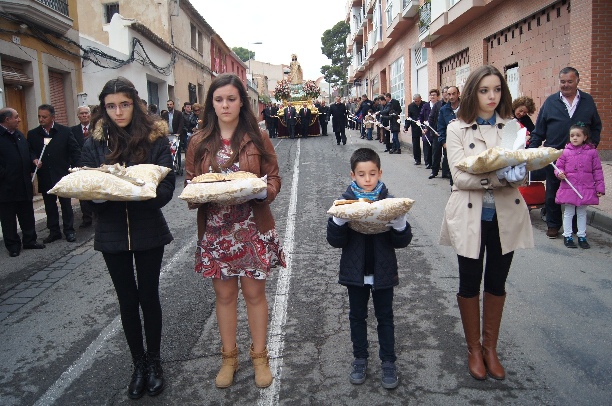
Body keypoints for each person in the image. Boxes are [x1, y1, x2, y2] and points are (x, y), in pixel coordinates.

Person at [184, 73, 285, 389]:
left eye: (231, 98)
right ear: (211, 104)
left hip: (252, 227)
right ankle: (229, 358)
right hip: (216, 231)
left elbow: (274, 179)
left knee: (255, 294)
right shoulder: (199, 142)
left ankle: (260, 357)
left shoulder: (257, 139)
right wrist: (197, 194)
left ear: (242, 102)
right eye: (218, 99)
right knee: (224, 296)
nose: (225, 104)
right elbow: (190, 185)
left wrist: (261, 192)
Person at [80, 77, 175, 399]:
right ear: (103, 108)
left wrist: (139, 191)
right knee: (127, 300)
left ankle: (155, 362)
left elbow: (165, 189)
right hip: (111, 233)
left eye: (124, 104)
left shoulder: (155, 138)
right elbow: (84, 188)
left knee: (149, 296)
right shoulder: (95, 143)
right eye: (111, 106)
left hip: (148, 228)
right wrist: (100, 196)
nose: (118, 111)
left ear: (134, 104)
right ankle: (138, 364)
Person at [440, 65, 534, 382]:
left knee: (496, 282)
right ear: (472, 93)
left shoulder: (512, 128)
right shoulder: (457, 128)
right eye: (484, 90)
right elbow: (460, 176)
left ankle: (490, 349)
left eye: (496, 89)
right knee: (469, 282)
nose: (491, 96)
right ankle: (473, 349)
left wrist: (521, 172)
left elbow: (518, 165)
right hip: (470, 215)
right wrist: (500, 177)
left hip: (504, 215)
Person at [327, 147, 412, 389]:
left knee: (385, 317)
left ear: (380, 173)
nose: (367, 180)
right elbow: (335, 241)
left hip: (383, 270)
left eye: (372, 174)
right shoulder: (344, 203)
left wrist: (400, 224)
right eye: (361, 174)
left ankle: (388, 361)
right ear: (352, 175)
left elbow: (402, 242)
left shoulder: (390, 203)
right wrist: (338, 221)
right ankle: (360, 358)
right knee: (357, 316)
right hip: (356, 272)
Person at [528, 67, 602, 239]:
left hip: (581, 159)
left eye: (570, 81)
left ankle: (576, 227)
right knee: (553, 192)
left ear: (577, 81)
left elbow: (596, 126)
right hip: (555, 157)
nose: (566, 85)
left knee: (577, 191)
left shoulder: (587, 101)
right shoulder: (551, 102)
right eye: (563, 82)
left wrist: (592, 146)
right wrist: (532, 149)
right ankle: (553, 225)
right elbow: (539, 129)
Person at [28, 104, 81, 243]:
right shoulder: (33, 134)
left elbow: (74, 151)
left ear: (53, 117)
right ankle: (54, 231)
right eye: (39, 116)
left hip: (62, 174)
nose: (41, 119)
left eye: (44, 117)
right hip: (45, 175)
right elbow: (30, 151)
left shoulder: (64, 131)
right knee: (49, 206)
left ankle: (69, 230)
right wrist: (33, 159)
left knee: (66, 205)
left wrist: (77, 169)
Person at [0, 108, 46, 257]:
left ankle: (30, 240)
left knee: (27, 214)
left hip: (24, 184)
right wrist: (6, 175)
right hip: (6, 187)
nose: (19, 119)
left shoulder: (19, 135)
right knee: (8, 219)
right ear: (7, 120)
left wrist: (33, 160)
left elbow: (28, 151)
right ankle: (13, 246)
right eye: (16, 117)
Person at [554, 124, 605, 249]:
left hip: (585, 188)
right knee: (568, 212)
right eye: (572, 135)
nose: (575, 138)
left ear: (585, 137)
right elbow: (558, 166)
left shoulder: (592, 152)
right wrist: (559, 173)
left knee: (582, 212)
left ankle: (582, 236)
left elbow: (597, 170)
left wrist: (600, 188)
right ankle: (568, 235)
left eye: (578, 135)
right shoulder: (565, 152)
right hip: (569, 187)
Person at [71, 106, 94, 228]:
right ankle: (86, 217)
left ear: (90, 115)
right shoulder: (73, 131)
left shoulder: (96, 129)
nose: (84, 115)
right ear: (78, 116)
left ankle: (98, 214)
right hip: (80, 167)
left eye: (86, 113)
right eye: (82, 113)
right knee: (83, 193)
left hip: (94, 166)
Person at [438, 86, 461, 185]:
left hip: (464, 142)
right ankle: (454, 188)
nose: (451, 97)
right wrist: (444, 143)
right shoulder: (444, 109)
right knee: (453, 168)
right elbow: (441, 127)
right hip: (450, 143)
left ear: (458, 94)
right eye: (449, 94)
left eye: (453, 94)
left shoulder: (466, 107)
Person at [429, 86, 449, 179]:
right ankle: (434, 171)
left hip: (448, 133)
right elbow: (431, 118)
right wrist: (433, 130)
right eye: (445, 92)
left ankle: (446, 172)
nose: (447, 94)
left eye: (448, 92)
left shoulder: (452, 105)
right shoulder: (437, 105)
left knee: (447, 153)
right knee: (436, 153)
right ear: (442, 93)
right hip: (437, 133)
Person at [166, 99, 184, 169]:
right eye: (168, 105)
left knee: (177, 151)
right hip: (168, 136)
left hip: (176, 135)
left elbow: (181, 124)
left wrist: (178, 133)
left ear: (173, 105)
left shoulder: (178, 113)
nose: (169, 106)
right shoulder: (164, 114)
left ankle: (179, 166)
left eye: (170, 104)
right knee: (170, 152)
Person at [406, 94, 423, 164]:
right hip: (415, 127)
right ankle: (417, 159)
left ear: (421, 99)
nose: (417, 102)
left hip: (423, 127)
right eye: (415, 101)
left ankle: (428, 160)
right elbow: (409, 117)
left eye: (418, 101)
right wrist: (406, 127)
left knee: (426, 144)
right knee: (415, 144)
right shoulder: (410, 106)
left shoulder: (425, 105)